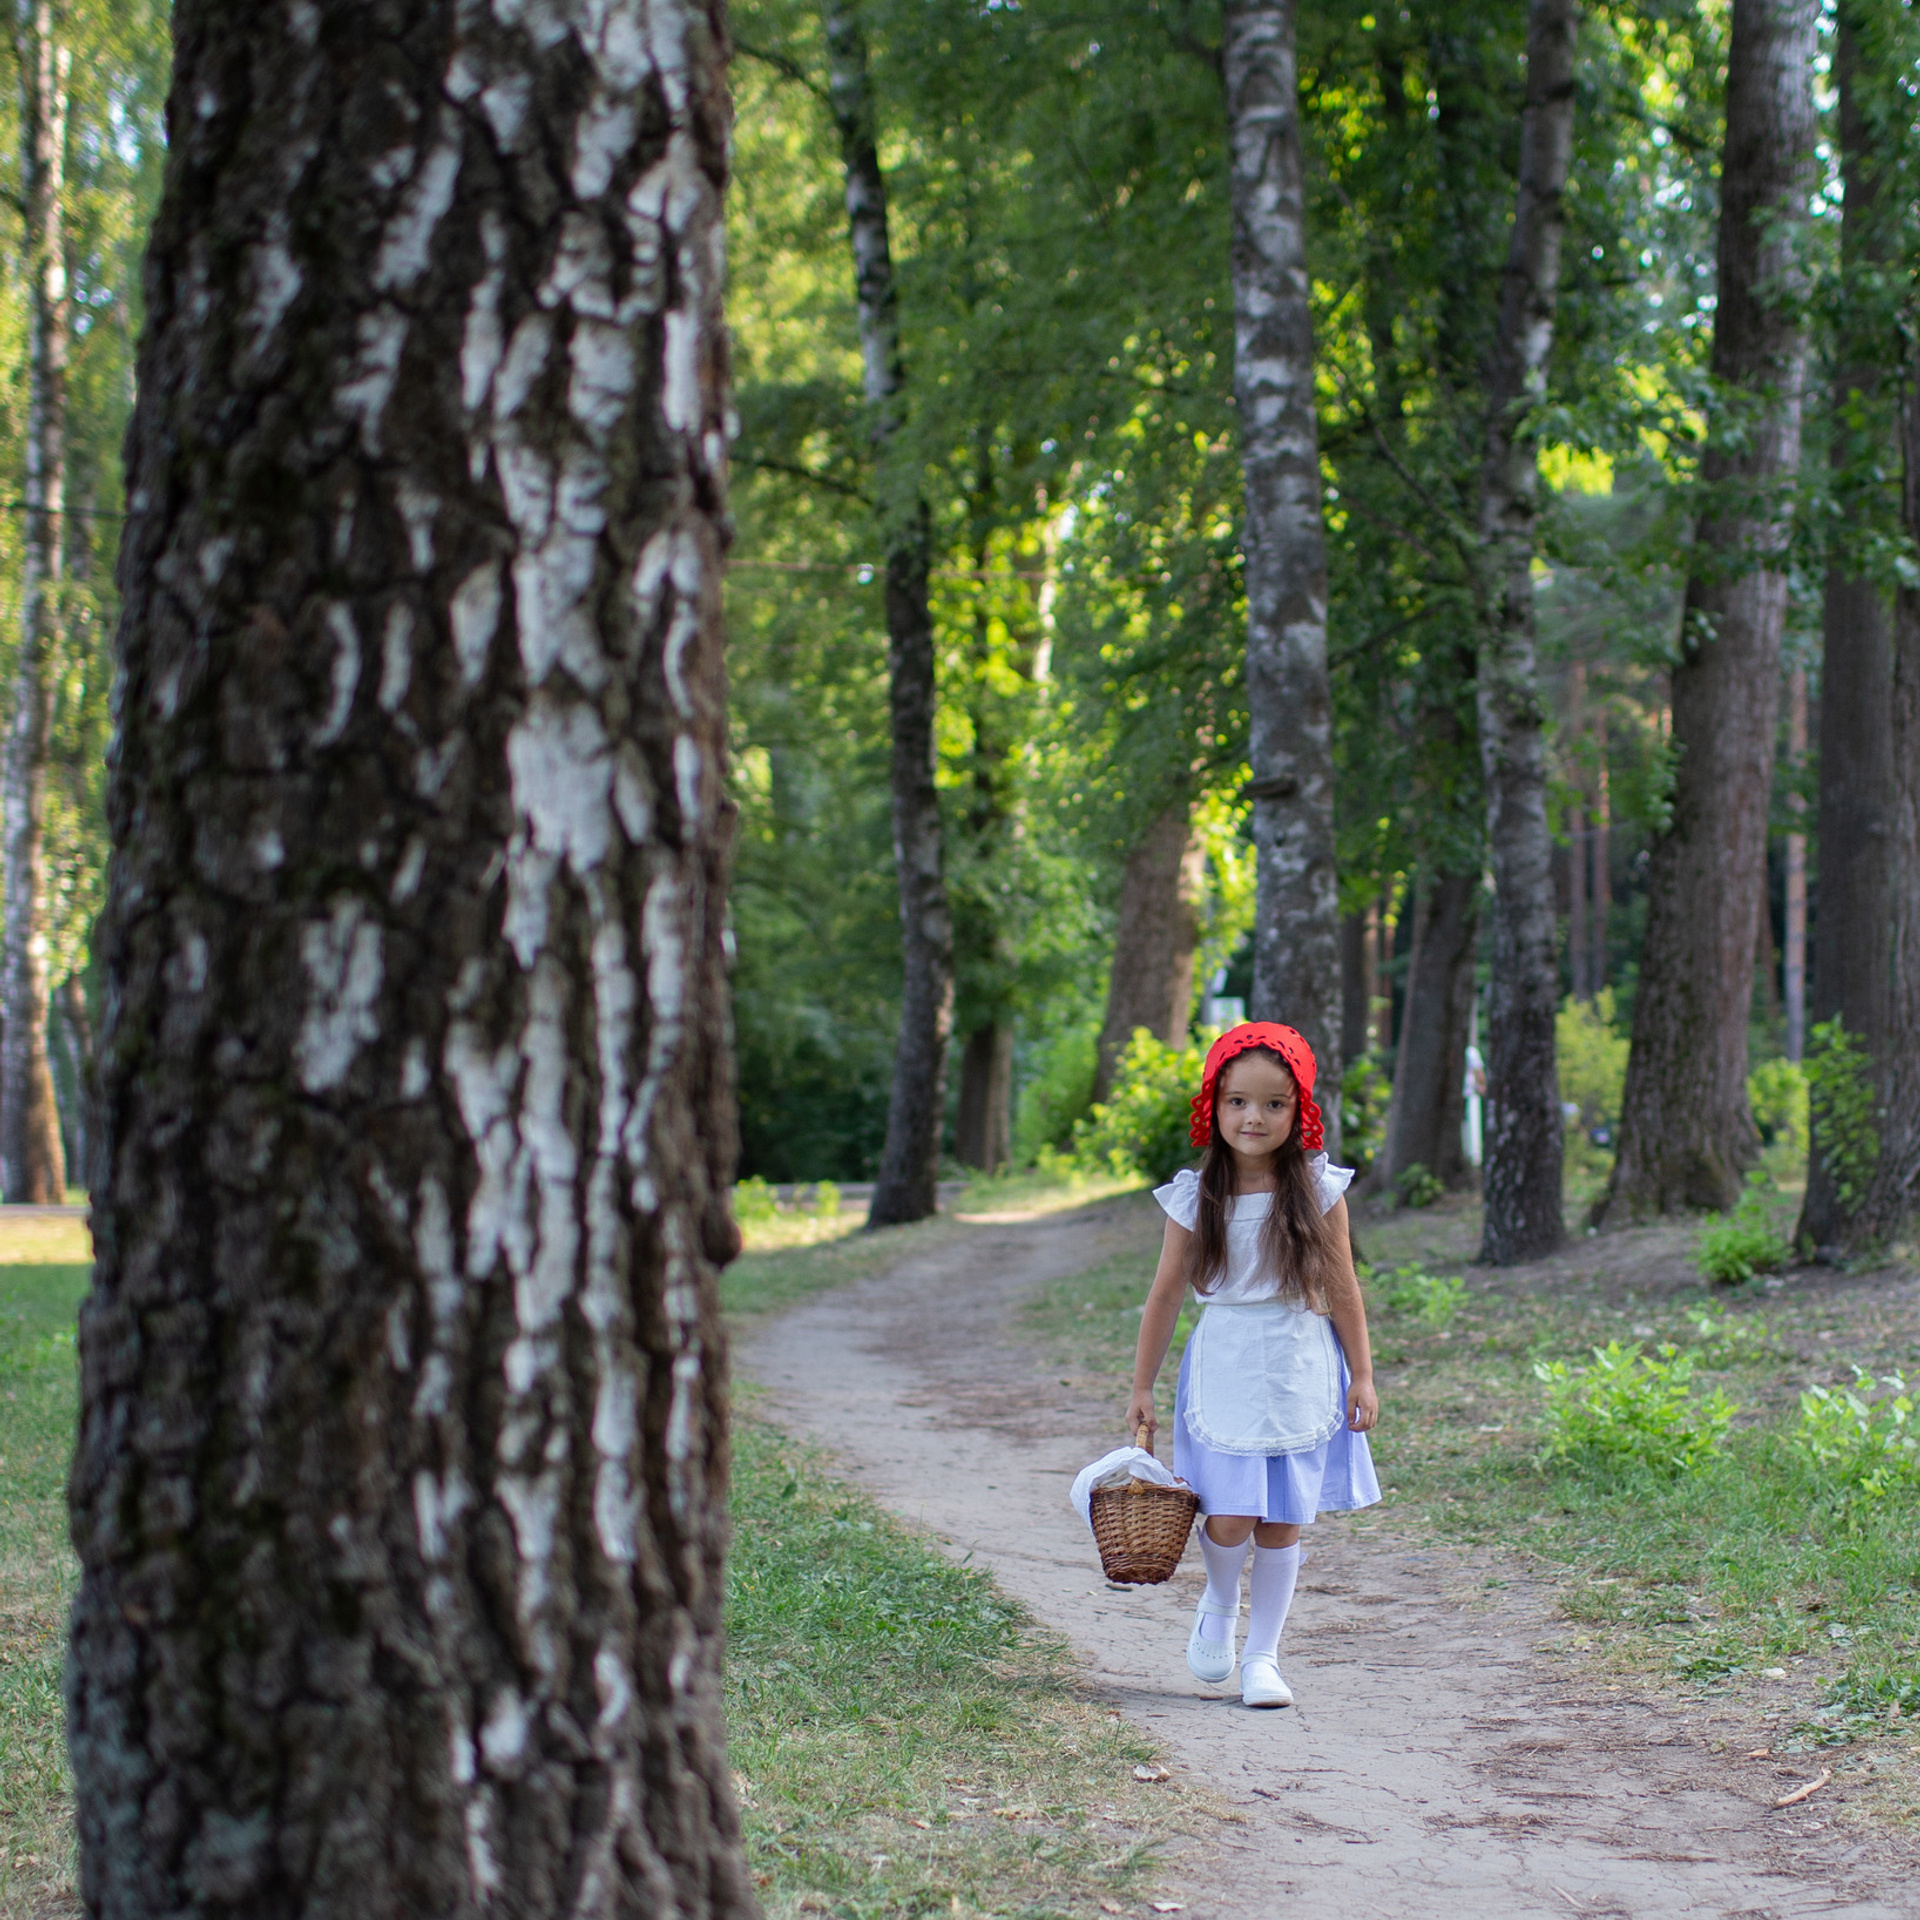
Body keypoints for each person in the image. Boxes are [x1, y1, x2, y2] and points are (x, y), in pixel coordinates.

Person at [1126, 1022, 1380, 1708]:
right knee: (1230, 1515)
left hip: (1299, 1360)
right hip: (1227, 1362)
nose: (1254, 1117)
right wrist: (1142, 1384)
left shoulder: (1319, 1190)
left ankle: (1264, 1658)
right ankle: (1218, 1601)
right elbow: (1166, 1293)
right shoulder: (1196, 1196)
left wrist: (1362, 1372)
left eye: (1274, 1104)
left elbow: (1344, 1286)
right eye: (1239, 1101)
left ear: (1299, 1112)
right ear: (1216, 1105)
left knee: (1284, 1521)